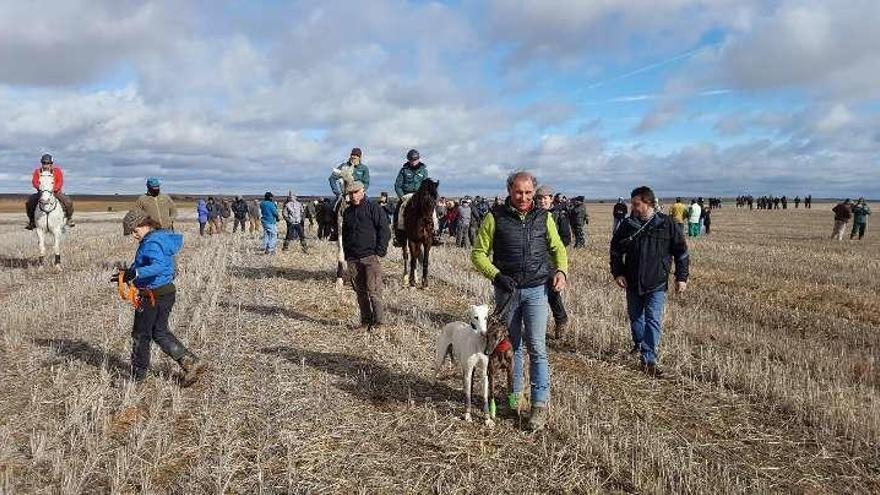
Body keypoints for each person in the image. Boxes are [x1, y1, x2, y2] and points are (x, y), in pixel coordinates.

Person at [471, 171, 568, 432]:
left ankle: (539, 405)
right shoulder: (495, 217)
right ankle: (514, 399)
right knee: (508, 347)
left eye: (528, 192)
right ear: (509, 191)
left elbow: (558, 248)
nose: (523, 197)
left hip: (537, 290)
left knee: (537, 347)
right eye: (518, 192)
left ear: (533, 192)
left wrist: (560, 270)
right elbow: (478, 254)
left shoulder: (544, 218)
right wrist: (497, 275)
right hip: (507, 292)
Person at [112, 209, 205, 386]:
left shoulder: (151, 243)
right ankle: (190, 361)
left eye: (135, 230)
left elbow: (159, 266)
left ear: (145, 225)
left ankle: (136, 376)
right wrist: (127, 274)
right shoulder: (157, 238)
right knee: (159, 332)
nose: (133, 235)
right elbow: (143, 263)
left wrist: (136, 272)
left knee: (141, 334)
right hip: (165, 293)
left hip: (152, 296)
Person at [610, 186, 689, 377]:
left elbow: (681, 252)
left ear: (649, 203)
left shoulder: (667, 224)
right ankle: (639, 344)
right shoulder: (628, 225)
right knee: (636, 317)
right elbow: (615, 251)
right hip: (632, 280)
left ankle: (648, 359)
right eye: (633, 204)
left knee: (653, 319)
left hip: (657, 282)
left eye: (636, 204)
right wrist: (618, 273)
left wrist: (681, 277)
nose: (633, 207)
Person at [341, 181, 390, 330]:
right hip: (353, 259)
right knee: (360, 293)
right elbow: (345, 234)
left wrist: (380, 250)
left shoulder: (373, 208)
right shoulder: (348, 212)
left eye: (356, 192)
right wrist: (347, 255)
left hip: (370, 257)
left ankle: (380, 323)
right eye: (350, 193)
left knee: (374, 291)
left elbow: (384, 229)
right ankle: (366, 322)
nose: (353, 195)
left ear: (363, 191)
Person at [537, 186, 569, 339]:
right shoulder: (534, 215)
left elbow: (566, 237)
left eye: (545, 198)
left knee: (553, 292)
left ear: (551, 199)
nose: (542, 200)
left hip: (551, 261)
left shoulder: (559, 215)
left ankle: (561, 320)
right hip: (536, 259)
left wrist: (554, 249)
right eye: (540, 198)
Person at [393, 149, 441, 246]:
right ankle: (400, 234)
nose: (413, 162)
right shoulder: (404, 170)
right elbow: (398, 185)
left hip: (420, 196)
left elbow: (426, 185)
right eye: (411, 160)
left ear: (418, 159)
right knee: (400, 210)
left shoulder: (423, 171)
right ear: (408, 160)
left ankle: (435, 233)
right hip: (407, 195)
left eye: (415, 159)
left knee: (432, 211)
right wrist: (402, 197)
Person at [25, 153, 75, 229]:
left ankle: (69, 219)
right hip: (42, 193)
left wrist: (54, 189)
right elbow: (34, 181)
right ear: (41, 163)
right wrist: (40, 188)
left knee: (68, 201)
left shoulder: (57, 171)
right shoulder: (37, 171)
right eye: (44, 163)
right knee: (30, 202)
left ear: (51, 164)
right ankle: (32, 221)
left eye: (48, 163)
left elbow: (60, 181)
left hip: (55, 192)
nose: (46, 165)